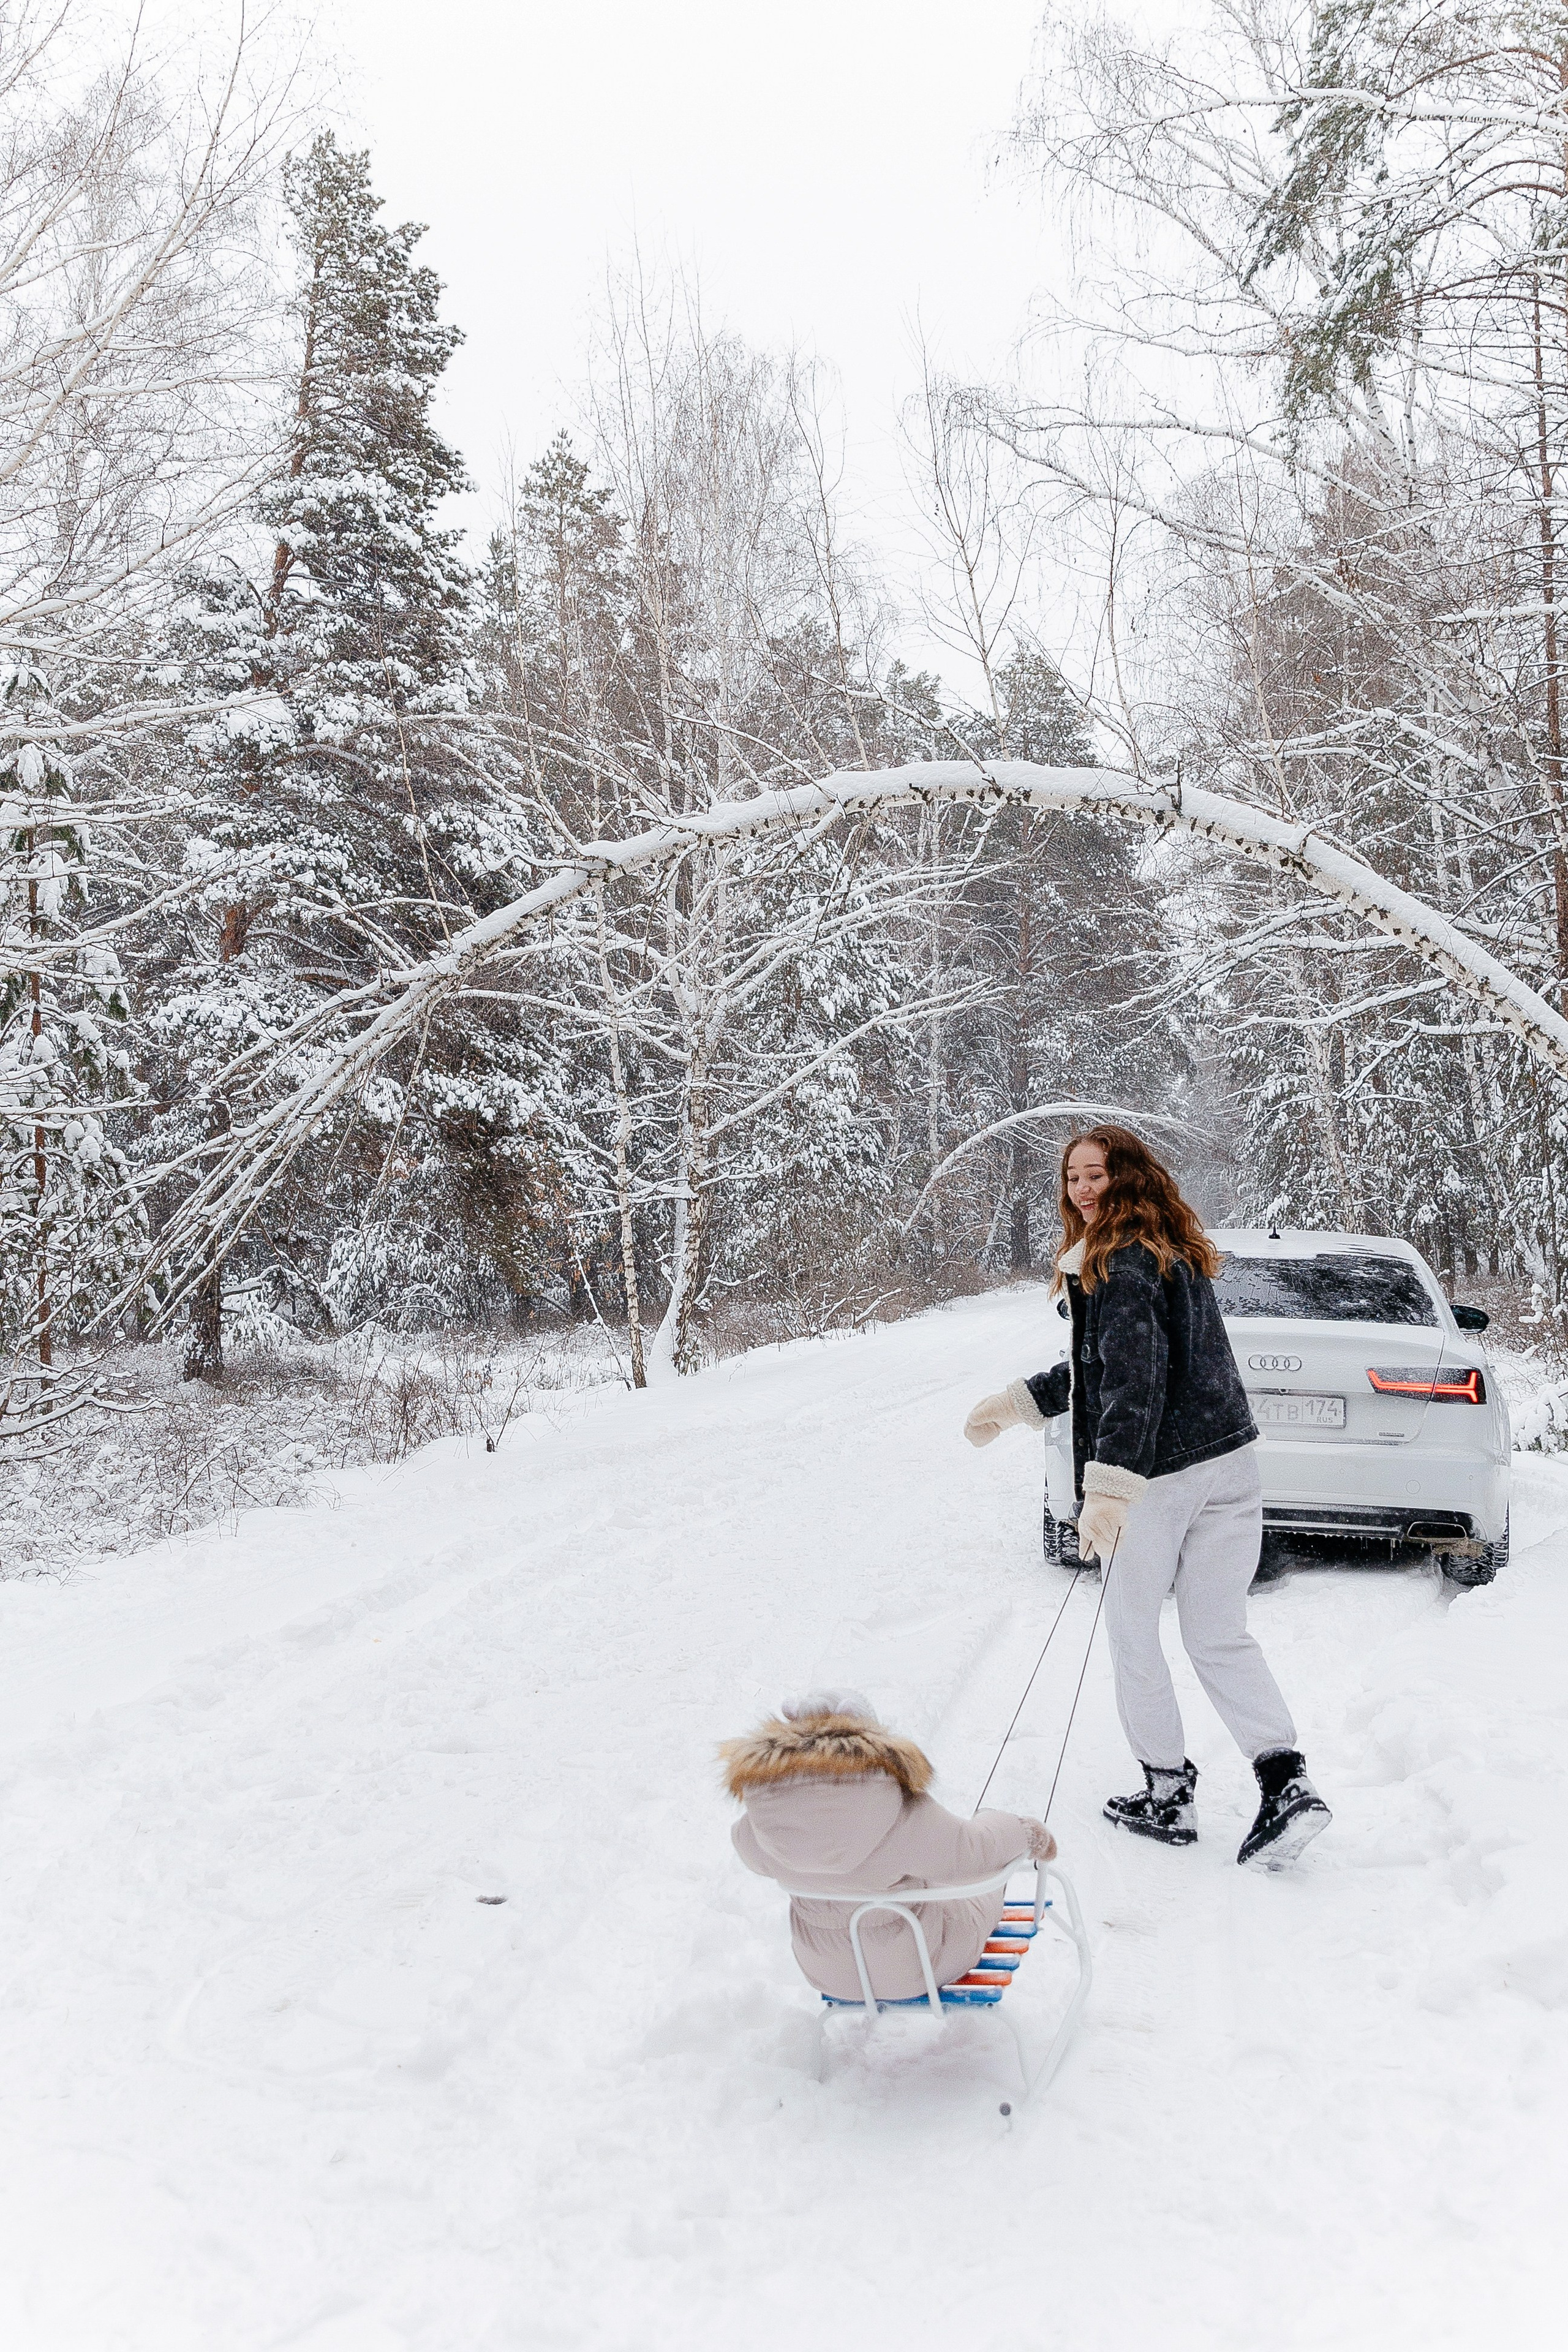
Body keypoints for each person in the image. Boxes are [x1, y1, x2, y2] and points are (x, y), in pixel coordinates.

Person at [964, 1125, 1331, 1869]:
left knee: (1133, 1632)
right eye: (1072, 1179)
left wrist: (1107, 1490)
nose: (1082, 1190)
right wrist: (1017, 1403)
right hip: (1229, 1465)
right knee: (1218, 1633)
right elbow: (1113, 1368)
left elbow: (1133, 1385)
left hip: (1161, 1476)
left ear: (1127, 1176)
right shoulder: (1170, 1247)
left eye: (1096, 1174)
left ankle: (1167, 1793)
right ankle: (1284, 1781)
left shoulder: (1120, 1263)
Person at [722, 1689, 1057, 2002]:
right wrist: (1022, 1831)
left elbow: (748, 1851)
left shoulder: (761, 1820)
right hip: (923, 1967)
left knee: (913, 1873)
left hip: (825, 1972)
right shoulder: (898, 1809)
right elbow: (972, 1853)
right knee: (971, 1882)